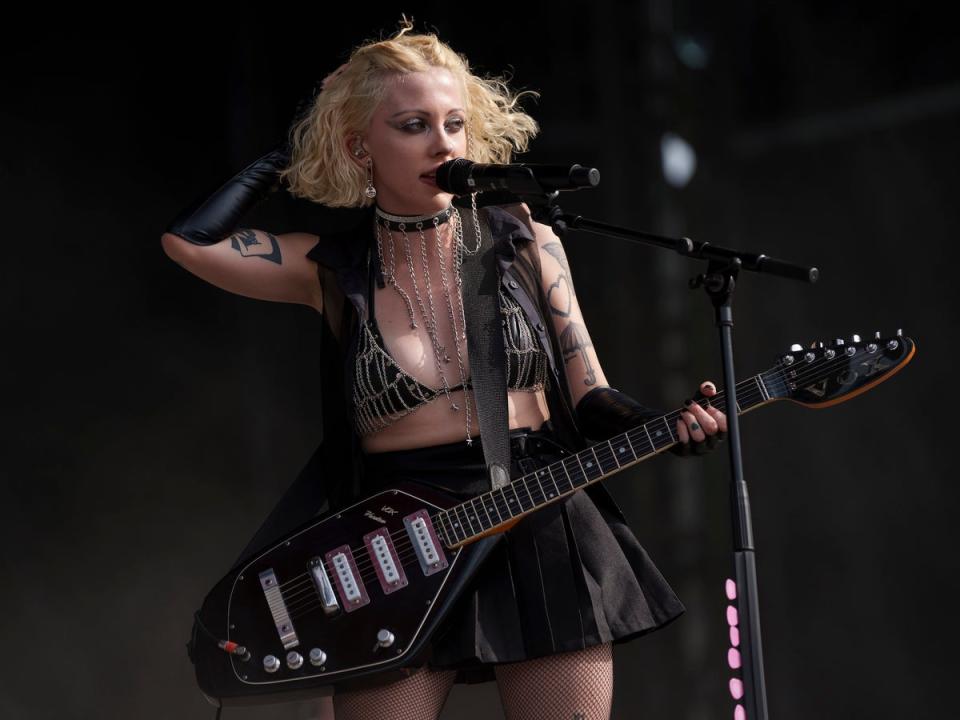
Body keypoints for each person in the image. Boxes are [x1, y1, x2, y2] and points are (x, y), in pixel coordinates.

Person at [162, 20, 727, 720]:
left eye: (455, 122)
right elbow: (188, 241)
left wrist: (665, 425)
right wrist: (297, 146)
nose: (443, 143)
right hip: (394, 547)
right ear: (360, 146)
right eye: (412, 124)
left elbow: (591, 395)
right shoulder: (330, 269)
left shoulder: (525, 238)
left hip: (539, 514)